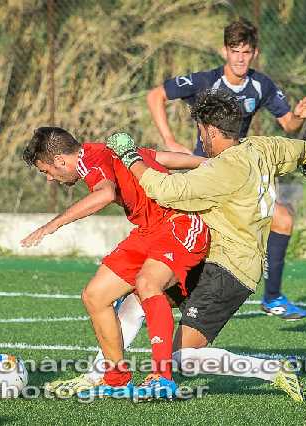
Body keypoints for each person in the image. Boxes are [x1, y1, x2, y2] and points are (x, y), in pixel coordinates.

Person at [105, 89, 306, 402]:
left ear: (210, 130)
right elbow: (297, 148)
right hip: (208, 260)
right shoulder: (261, 147)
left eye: (200, 132)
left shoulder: (223, 169)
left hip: (227, 272)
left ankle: (272, 369)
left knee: (183, 358)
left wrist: (131, 158)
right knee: (137, 298)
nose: (201, 140)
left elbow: (166, 190)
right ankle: (102, 376)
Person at [20, 127, 209, 400]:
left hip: (177, 224)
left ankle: (162, 377)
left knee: (147, 284)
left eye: (46, 171)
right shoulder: (100, 152)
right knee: (95, 296)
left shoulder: (90, 161)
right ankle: (117, 379)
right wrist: (207, 163)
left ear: (61, 160)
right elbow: (158, 158)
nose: (50, 179)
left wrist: (53, 224)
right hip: (148, 231)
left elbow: (105, 194)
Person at [147, 18, 306, 320]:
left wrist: (299, 117)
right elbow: (155, 95)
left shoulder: (261, 85)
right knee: (183, 238)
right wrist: (170, 140)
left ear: (255, 53)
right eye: (235, 50)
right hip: (207, 174)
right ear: (225, 51)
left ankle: (273, 298)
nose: (240, 58)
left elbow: (288, 124)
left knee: (284, 219)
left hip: (242, 173)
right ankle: (139, 292)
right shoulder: (205, 81)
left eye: (246, 52)